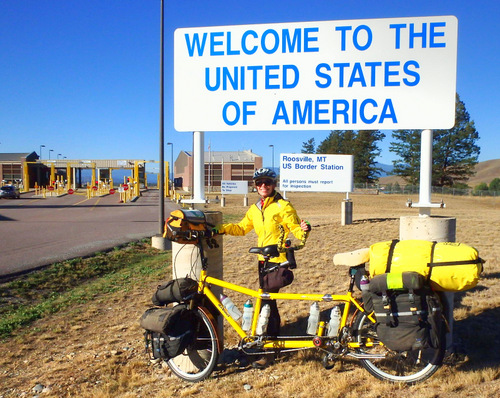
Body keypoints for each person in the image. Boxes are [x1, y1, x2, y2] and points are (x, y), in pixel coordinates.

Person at [214, 168, 311, 368]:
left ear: (274, 184)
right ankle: (271, 340)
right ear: (255, 186)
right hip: (262, 260)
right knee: (268, 301)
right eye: (259, 183)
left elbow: (294, 227)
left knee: (266, 300)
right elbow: (241, 228)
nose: (263, 186)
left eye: (267, 182)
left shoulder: (283, 206)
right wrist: (221, 229)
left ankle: (268, 346)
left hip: (278, 259)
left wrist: (303, 232)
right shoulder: (256, 208)